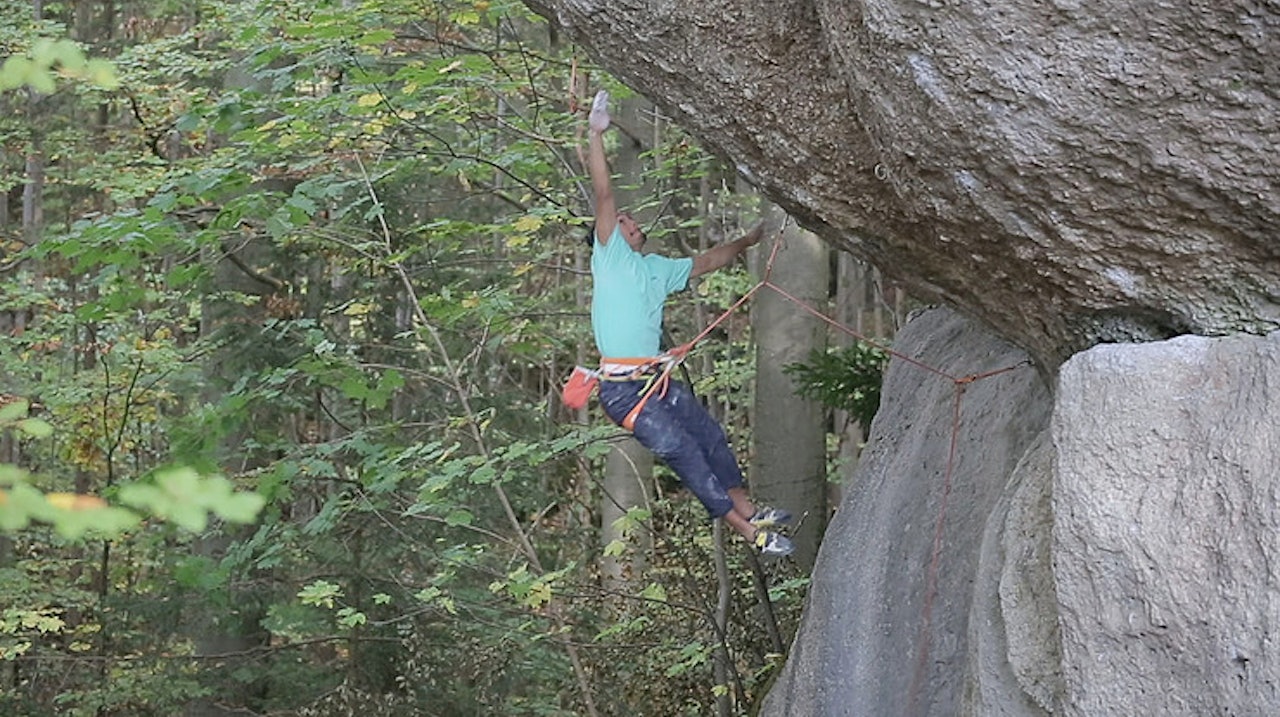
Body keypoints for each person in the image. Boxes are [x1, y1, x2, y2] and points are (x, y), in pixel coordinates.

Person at [584, 90, 794, 557]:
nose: (629, 221)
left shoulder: (658, 269)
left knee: (710, 437)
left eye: (629, 219)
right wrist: (596, 135)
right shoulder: (610, 258)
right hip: (623, 391)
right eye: (622, 221)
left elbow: (709, 261)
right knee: (684, 452)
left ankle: (750, 509)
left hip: (656, 382)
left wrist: (749, 241)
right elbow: (604, 193)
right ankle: (750, 534)